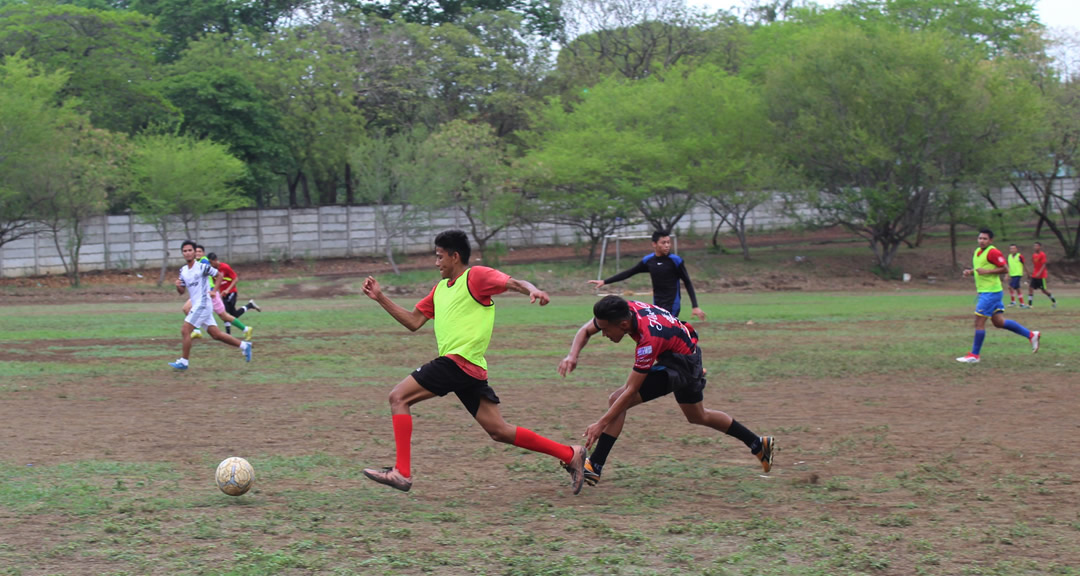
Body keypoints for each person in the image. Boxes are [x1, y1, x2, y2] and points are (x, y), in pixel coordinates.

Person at [359, 229, 586, 494]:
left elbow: (513, 282)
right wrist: (381, 298)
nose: (436, 263)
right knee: (499, 430)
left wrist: (534, 290)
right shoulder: (440, 290)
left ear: (455, 256)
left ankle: (402, 472)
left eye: (439, 256)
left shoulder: (475, 277)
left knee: (398, 397)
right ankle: (570, 453)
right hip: (468, 369)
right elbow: (413, 322)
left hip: (456, 362)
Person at [557, 295, 773, 487]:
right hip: (686, 354)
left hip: (681, 364)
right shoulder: (624, 310)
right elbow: (585, 330)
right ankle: (757, 443)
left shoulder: (648, 339)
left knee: (617, 399)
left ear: (623, 325)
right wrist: (572, 355)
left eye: (605, 330)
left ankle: (594, 465)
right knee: (698, 415)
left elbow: (631, 391)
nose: (603, 334)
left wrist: (601, 424)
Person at [956, 229, 1040, 364]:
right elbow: (980, 269)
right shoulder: (978, 252)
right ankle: (1031, 335)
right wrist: (970, 272)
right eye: (980, 238)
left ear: (990, 241)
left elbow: (1005, 269)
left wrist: (987, 271)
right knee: (999, 322)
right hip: (986, 292)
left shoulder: (993, 252)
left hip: (991, 293)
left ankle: (974, 355)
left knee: (979, 322)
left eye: (985, 239)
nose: (981, 241)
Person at [588, 230, 705, 321]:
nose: (667, 245)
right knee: (661, 330)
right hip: (657, 302)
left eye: (668, 242)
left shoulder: (676, 261)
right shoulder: (649, 261)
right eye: (663, 242)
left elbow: (688, 282)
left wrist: (695, 306)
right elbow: (629, 272)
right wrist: (605, 281)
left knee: (668, 329)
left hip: (672, 303)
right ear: (654, 244)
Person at [170, 240, 252, 370]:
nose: (187, 253)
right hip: (198, 305)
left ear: (194, 252)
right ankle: (244, 345)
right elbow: (181, 292)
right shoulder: (183, 271)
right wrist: (178, 286)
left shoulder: (202, 266)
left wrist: (214, 291)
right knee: (216, 334)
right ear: (182, 253)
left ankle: (184, 362)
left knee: (185, 330)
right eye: (185, 251)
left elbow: (219, 275)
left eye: (190, 250)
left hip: (203, 304)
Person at [185, 246, 252, 341]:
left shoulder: (204, 261)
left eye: (200, 251)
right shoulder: (195, 263)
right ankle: (197, 330)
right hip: (201, 294)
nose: (198, 253)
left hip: (210, 293)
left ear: (203, 253)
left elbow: (217, 275)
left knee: (223, 315)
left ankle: (245, 329)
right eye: (196, 252)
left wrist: (214, 290)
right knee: (187, 308)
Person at [207, 253, 262, 335]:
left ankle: (228, 334)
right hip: (223, 294)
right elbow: (216, 283)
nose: (210, 264)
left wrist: (227, 290)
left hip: (232, 292)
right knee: (233, 315)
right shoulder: (212, 270)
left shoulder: (225, 267)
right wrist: (218, 292)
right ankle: (249, 305)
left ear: (215, 260)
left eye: (211, 262)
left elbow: (236, 279)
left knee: (226, 313)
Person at [1027, 241, 1057, 309]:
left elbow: (1044, 265)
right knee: (1030, 288)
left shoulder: (1042, 254)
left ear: (1040, 247)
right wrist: (1033, 273)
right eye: (1034, 246)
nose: (1035, 247)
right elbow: (1035, 265)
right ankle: (1030, 305)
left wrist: (1039, 273)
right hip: (1035, 275)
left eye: (1037, 246)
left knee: (1044, 290)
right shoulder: (1034, 255)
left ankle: (1054, 301)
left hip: (1042, 275)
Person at [1006, 244, 1027, 308]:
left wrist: (1027, 273)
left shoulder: (1019, 256)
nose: (1012, 250)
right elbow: (1009, 266)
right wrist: (1007, 274)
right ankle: (1022, 303)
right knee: (1018, 288)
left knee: (1010, 287)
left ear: (1016, 249)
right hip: (1012, 274)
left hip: (1018, 274)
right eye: (1011, 249)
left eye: (1013, 248)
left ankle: (1013, 302)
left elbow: (1024, 264)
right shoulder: (1009, 256)